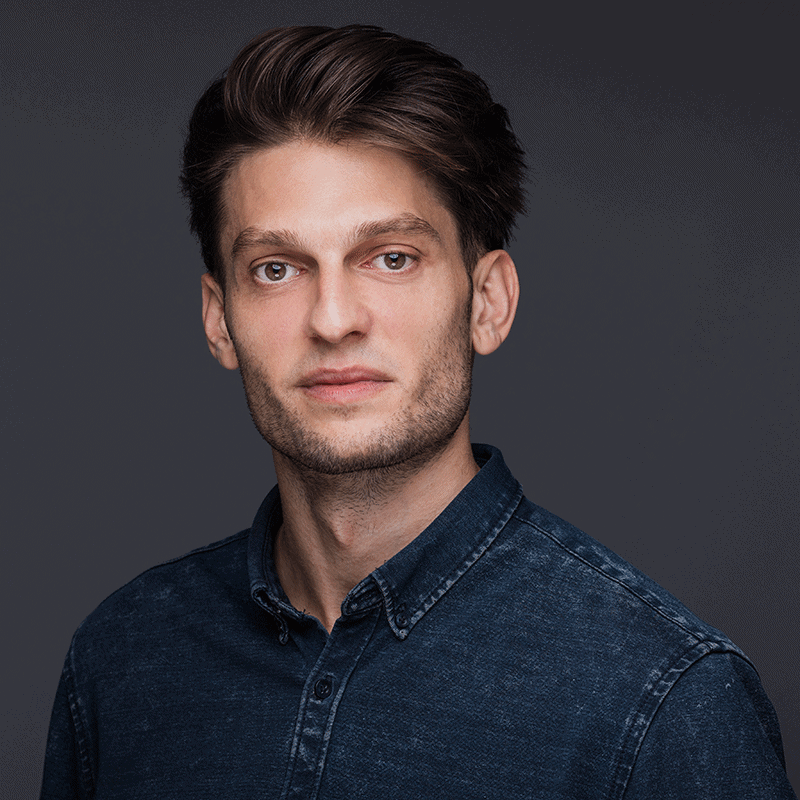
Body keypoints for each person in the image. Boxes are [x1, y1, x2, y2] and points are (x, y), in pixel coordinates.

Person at [40, 24, 796, 799]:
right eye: (276, 269)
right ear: (218, 319)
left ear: (488, 301)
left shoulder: (663, 699)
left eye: (392, 258)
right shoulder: (121, 659)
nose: (333, 319)